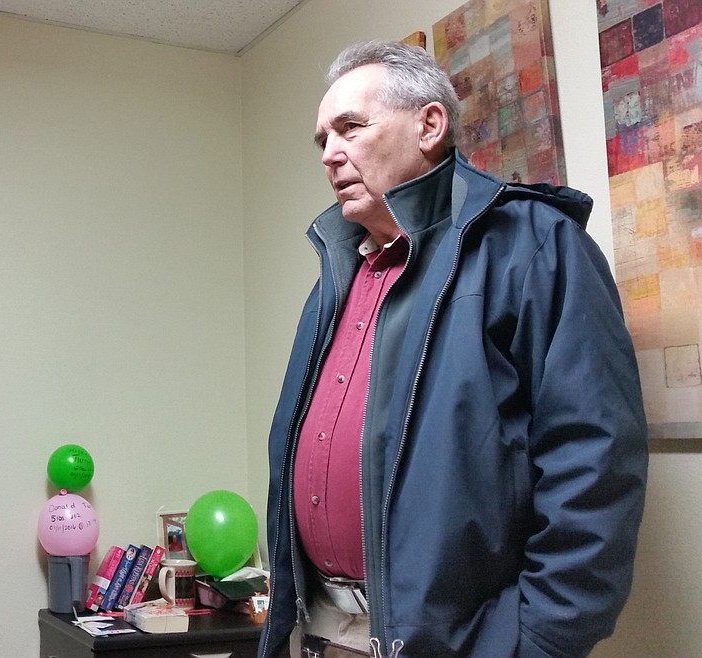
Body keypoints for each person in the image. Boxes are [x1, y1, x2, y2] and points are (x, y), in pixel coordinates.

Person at [258, 41, 648, 658]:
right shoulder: (339, 270)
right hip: (324, 635)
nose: (330, 154)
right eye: (322, 141)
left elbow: (593, 466)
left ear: (429, 125)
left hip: (462, 644)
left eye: (350, 128)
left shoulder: (535, 245)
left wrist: (539, 643)